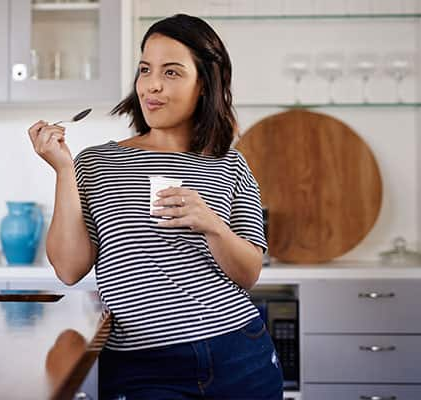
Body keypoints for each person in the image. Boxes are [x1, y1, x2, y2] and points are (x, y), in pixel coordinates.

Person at [28, 13, 283, 400]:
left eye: (172, 72)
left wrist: (212, 225)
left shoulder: (230, 163)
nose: (153, 85)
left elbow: (248, 273)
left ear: (204, 85)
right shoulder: (96, 163)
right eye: (145, 69)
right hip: (142, 366)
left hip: (238, 354)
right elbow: (68, 268)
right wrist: (64, 170)